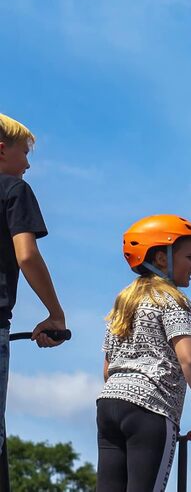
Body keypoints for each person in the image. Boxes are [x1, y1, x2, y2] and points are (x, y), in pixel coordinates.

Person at [96, 214, 191, 491]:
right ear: (163, 259)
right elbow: (189, 358)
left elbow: (107, 367)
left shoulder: (124, 302)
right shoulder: (172, 299)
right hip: (150, 408)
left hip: (109, 404)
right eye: (189, 257)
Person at [0, 113, 68, 451]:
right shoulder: (14, 189)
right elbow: (26, 255)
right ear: (1, 150)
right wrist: (55, 314)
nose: (27, 164)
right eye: (24, 153)